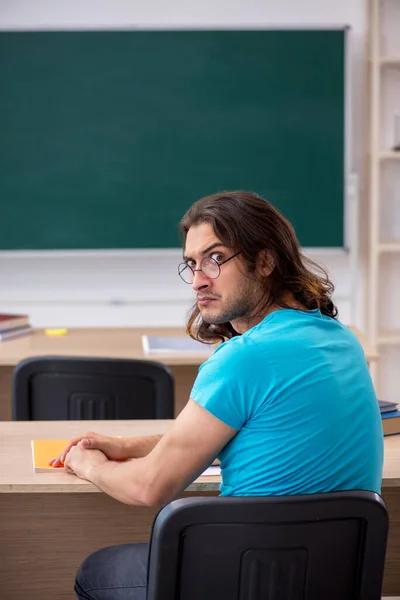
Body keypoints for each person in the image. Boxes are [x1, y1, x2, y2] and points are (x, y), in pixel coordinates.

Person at [51, 190, 383, 600]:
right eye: (191, 264)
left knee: (97, 570)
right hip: (330, 578)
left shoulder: (245, 358)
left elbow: (148, 488)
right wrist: (126, 445)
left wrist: (87, 464)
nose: (197, 280)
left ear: (265, 261)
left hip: (248, 575)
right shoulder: (341, 339)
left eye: (215, 258)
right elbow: (247, 433)